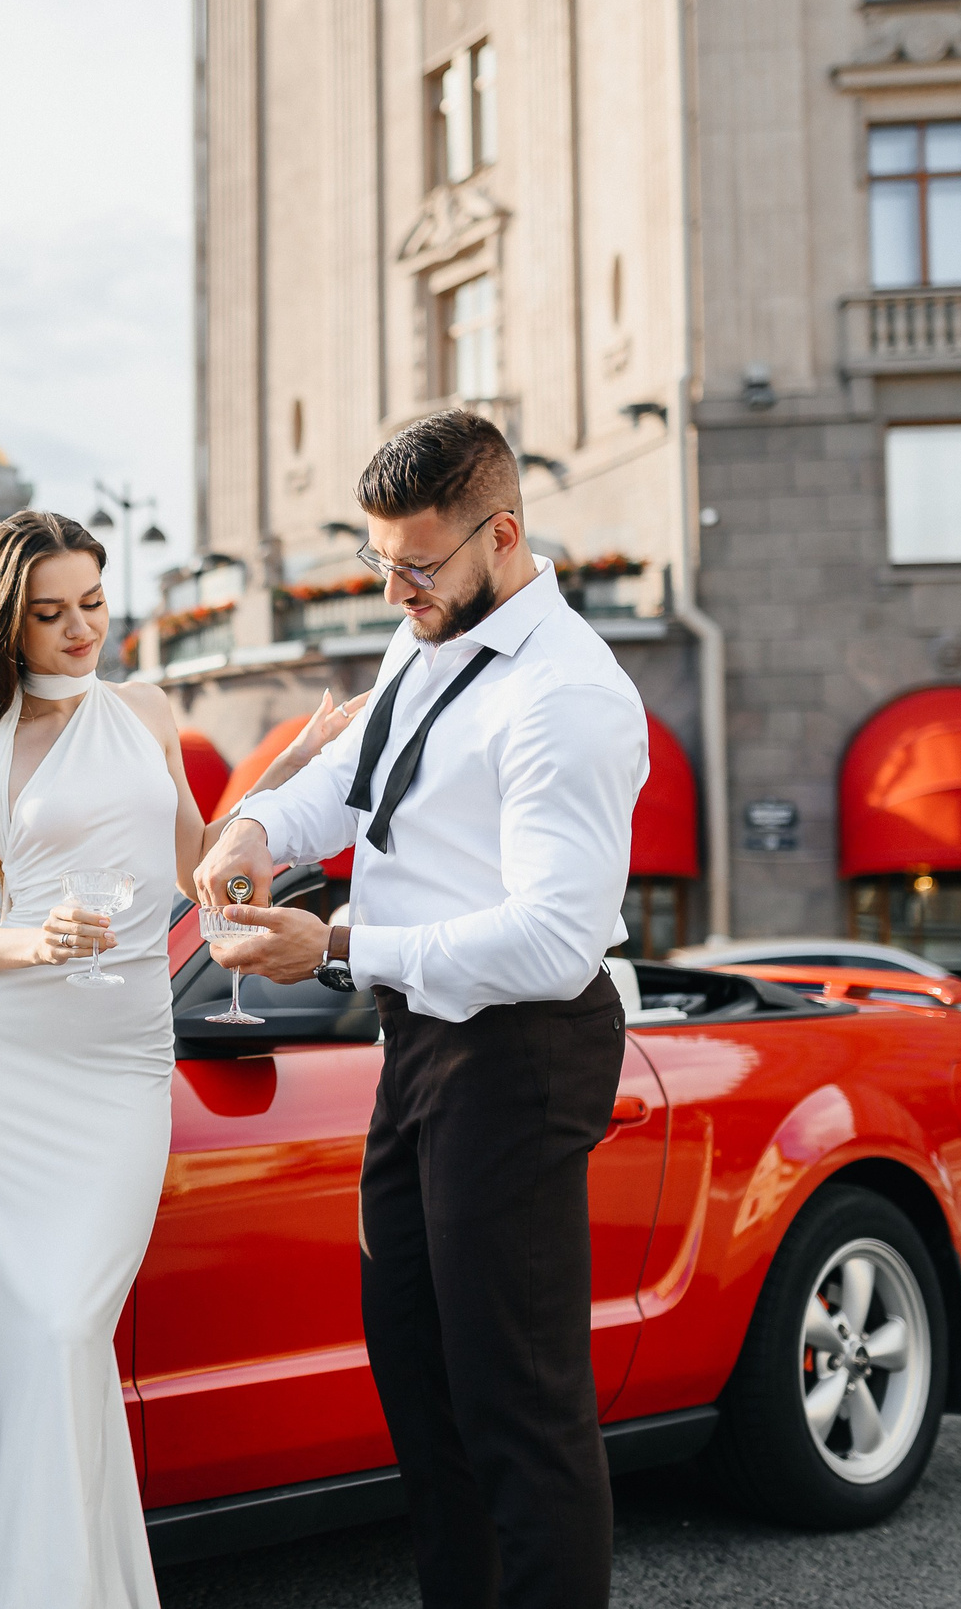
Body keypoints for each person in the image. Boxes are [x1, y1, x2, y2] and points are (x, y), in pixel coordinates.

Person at [197, 409, 648, 1609]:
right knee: (418, 1373)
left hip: (524, 1046)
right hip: (420, 1041)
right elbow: (350, 781)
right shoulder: (422, 636)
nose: (393, 589)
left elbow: (551, 940)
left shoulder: (567, 693)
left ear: (502, 534)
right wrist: (254, 826)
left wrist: (336, 945)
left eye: (418, 564)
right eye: (378, 560)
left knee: (517, 1400)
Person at [0, 510, 209, 1608]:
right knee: (40, 1339)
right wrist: (29, 941)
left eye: (93, 601)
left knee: (74, 1325)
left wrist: (287, 786)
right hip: (9, 1063)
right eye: (51, 613)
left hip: (125, 1062)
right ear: (8, 623)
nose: (82, 628)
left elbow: (202, 869)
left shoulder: (148, 711)